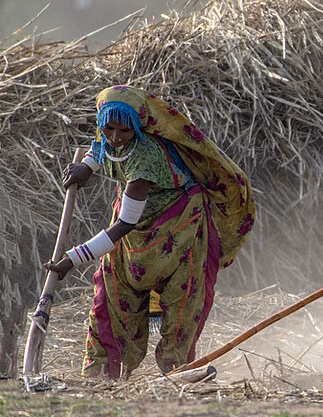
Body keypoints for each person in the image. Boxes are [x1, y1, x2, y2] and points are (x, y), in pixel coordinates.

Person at [45, 86, 256, 378]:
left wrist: (72, 258)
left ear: (138, 126)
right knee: (111, 296)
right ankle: (104, 373)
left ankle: (176, 368)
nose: (116, 137)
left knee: (182, 302)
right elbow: (101, 149)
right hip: (131, 225)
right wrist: (85, 168)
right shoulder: (109, 138)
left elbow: (124, 225)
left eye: (124, 130)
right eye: (108, 128)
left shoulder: (145, 160)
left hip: (177, 225)